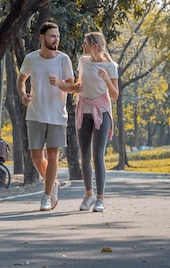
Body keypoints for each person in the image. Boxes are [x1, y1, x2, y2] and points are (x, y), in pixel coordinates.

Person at [17, 22, 75, 211]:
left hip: (57, 114)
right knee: (36, 155)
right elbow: (21, 79)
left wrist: (59, 83)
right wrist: (23, 94)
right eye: (52, 36)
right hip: (34, 113)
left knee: (52, 154)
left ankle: (47, 195)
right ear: (42, 38)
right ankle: (54, 183)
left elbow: (71, 87)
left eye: (57, 36)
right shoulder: (31, 58)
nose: (56, 39)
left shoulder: (64, 59)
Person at [73, 31, 119, 213]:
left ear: (95, 46)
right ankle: (88, 194)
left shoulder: (110, 66)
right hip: (84, 109)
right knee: (84, 155)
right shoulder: (83, 61)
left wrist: (107, 79)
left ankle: (100, 198)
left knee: (98, 154)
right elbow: (79, 83)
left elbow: (114, 96)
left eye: (85, 43)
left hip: (102, 111)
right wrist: (75, 88)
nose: (83, 46)